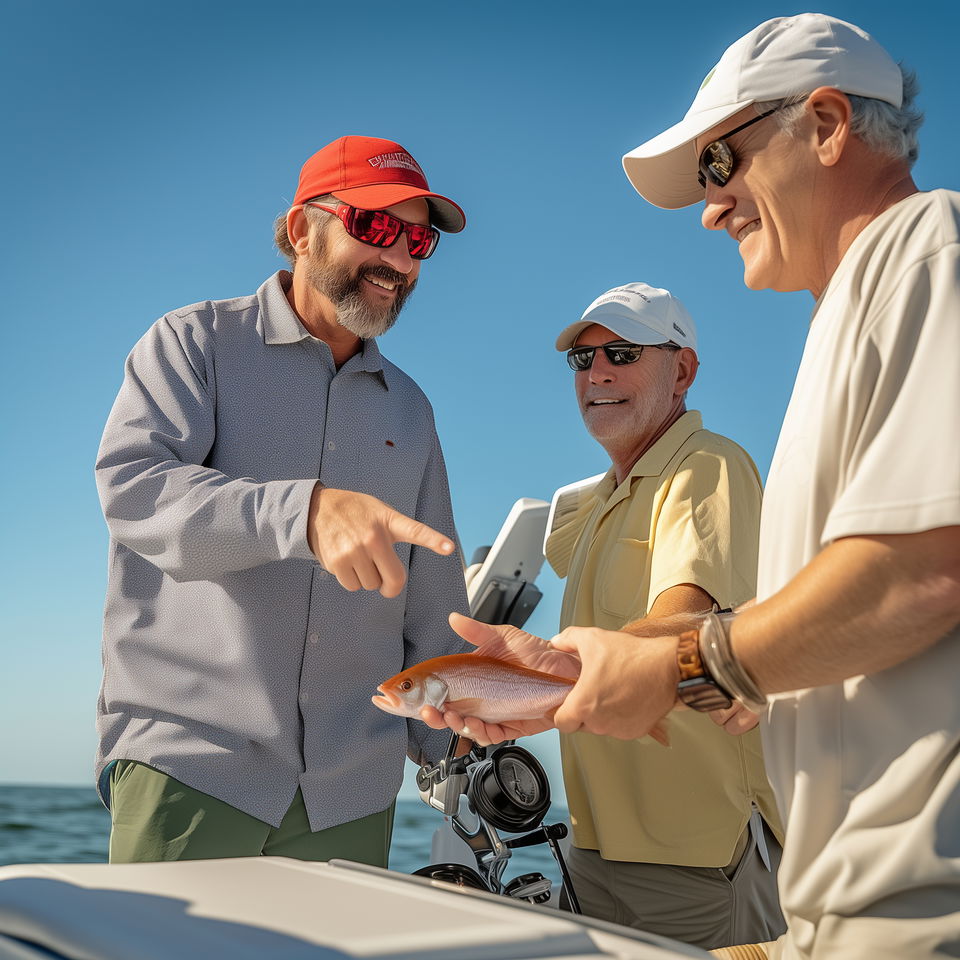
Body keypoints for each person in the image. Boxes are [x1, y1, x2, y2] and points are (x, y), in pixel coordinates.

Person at [428, 12, 959, 958]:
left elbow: (922, 574)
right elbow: (814, 641)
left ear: (829, 124)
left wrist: (678, 665)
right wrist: (556, 686)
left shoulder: (926, 252)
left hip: (911, 900)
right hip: (836, 898)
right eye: (582, 359)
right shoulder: (852, 314)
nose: (711, 209)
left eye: (721, 165)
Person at [95, 135, 471, 866]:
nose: (401, 260)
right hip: (192, 770)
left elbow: (432, 597)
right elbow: (134, 486)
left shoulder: (412, 411)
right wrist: (303, 513)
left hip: (351, 799)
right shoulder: (193, 343)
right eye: (379, 228)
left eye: (419, 240)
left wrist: (455, 724)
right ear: (304, 230)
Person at [542, 282, 783, 949]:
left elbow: (685, 621)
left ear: (682, 371)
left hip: (697, 854)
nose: (597, 373)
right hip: (598, 847)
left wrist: (538, 682)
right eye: (582, 360)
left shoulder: (708, 466)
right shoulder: (599, 504)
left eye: (621, 352)